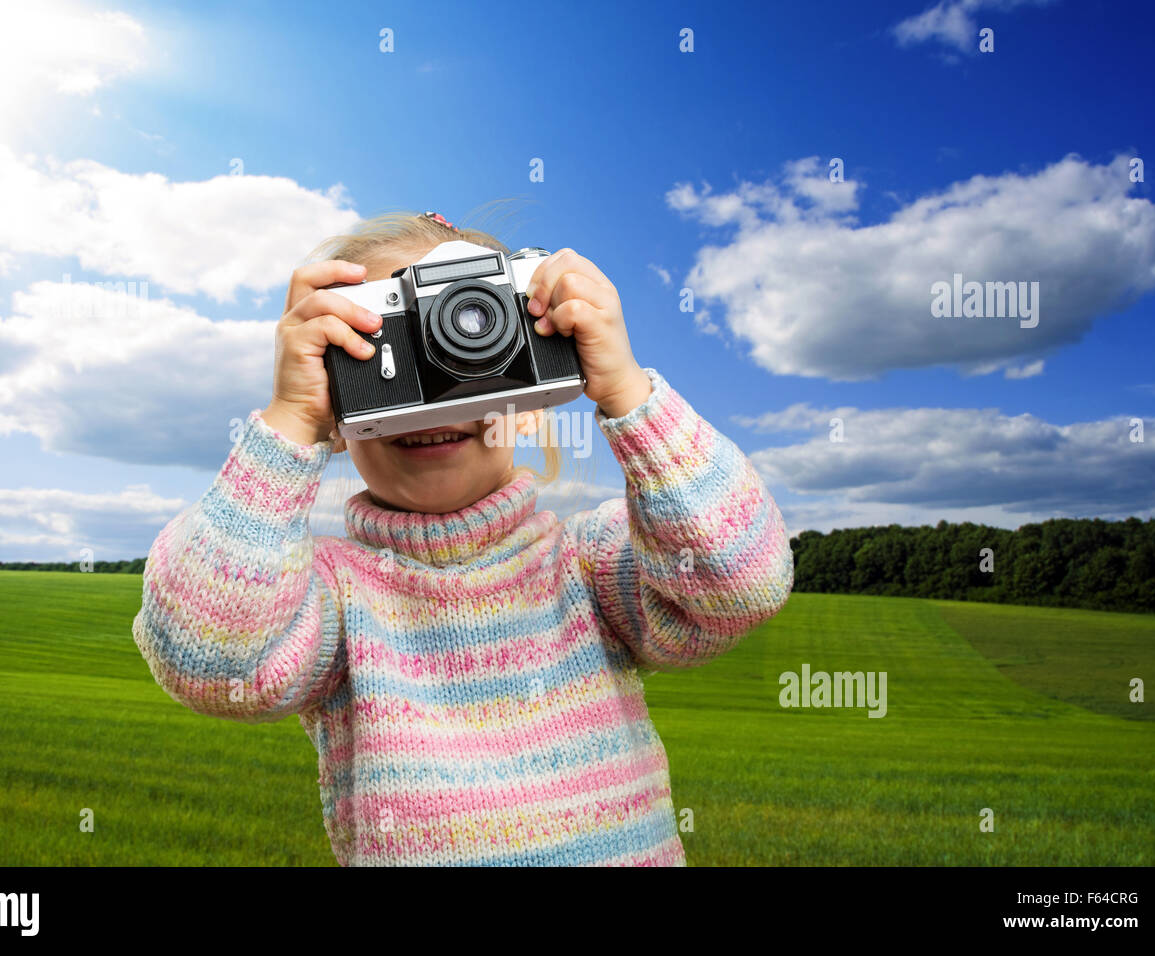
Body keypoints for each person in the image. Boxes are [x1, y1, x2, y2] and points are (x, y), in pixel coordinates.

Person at [132, 209, 794, 865]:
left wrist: (627, 390)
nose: (438, 398)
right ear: (338, 409)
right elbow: (207, 660)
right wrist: (290, 421)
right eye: (393, 349)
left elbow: (743, 582)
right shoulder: (335, 601)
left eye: (472, 338)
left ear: (533, 390)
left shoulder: (588, 568)